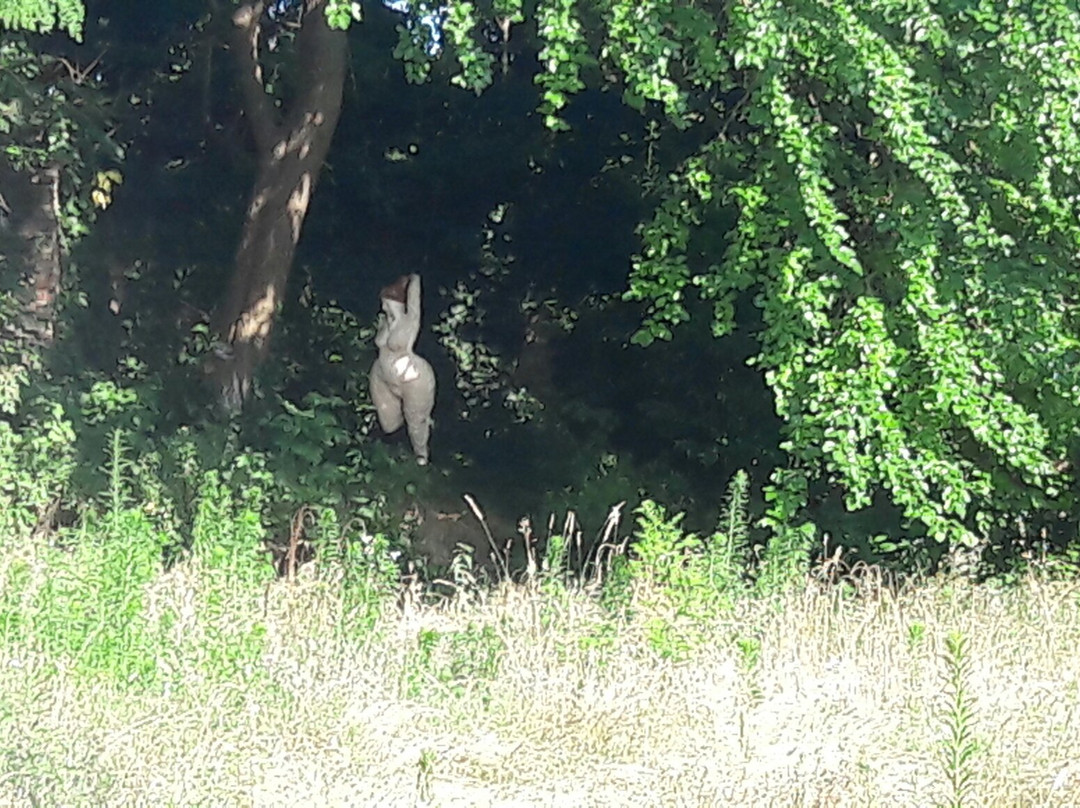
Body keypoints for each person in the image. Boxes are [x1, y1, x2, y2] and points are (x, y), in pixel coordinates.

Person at [369, 273, 436, 464]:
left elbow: (414, 300)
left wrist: (413, 280)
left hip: (411, 377)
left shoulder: (409, 321)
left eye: (387, 303)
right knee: (388, 422)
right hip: (384, 374)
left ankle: (421, 457)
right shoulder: (385, 323)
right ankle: (394, 450)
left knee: (416, 420)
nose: (384, 307)